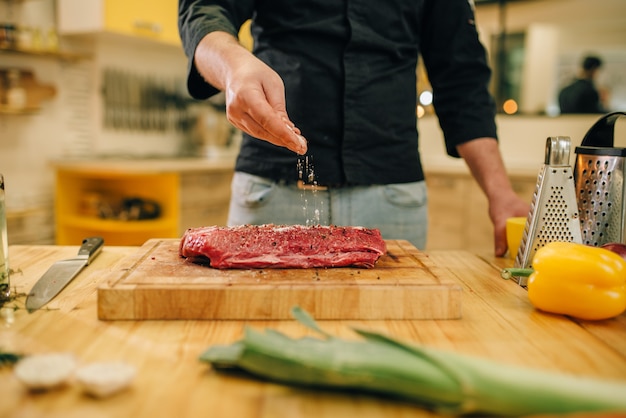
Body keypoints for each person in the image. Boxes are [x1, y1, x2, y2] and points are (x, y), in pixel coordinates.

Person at [178, 0, 530, 257]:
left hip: (392, 199)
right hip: (272, 191)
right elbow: (204, 8)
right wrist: (233, 66)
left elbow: (461, 77)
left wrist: (500, 193)